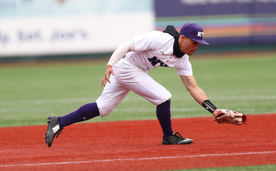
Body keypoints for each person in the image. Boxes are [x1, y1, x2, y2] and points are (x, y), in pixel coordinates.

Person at [45, 23, 224, 147]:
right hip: (126, 68)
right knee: (163, 97)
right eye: (194, 42)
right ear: (183, 38)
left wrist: (213, 109)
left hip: (132, 70)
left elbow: (193, 87)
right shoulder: (160, 39)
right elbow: (128, 45)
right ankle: (168, 137)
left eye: (199, 44)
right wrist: (110, 64)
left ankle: (59, 122)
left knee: (102, 108)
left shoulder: (183, 60)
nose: (196, 47)